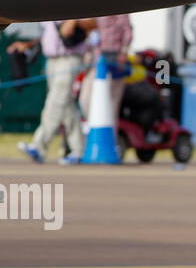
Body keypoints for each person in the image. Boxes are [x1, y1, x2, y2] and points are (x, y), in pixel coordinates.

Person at [11, 19, 94, 163]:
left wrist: (74, 21)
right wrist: (28, 45)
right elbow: (48, 32)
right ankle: (79, 151)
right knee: (66, 105)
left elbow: (94, 23)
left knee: (55, 103)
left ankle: (39, 146)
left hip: (69, 58)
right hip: (52, 59)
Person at [79, 13, 133, 136]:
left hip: (114, 60)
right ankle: (95, 129)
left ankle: (111, 141)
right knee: (85, 99)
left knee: (112, 106)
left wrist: (123, 52)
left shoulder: (119, 8)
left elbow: (127, 29)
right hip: (97, 61)